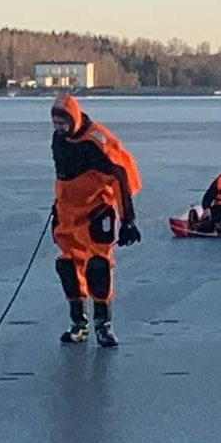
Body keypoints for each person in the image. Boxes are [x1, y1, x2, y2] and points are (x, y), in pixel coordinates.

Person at [50, 94, 141, 347]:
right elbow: (63, 176)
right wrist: (57, 207)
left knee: (98, 266)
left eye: (62, 123)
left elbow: (119, 177)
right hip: (67, 213)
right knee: (67, 266)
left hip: (95, 212)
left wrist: (128, 220)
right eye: (55, 123)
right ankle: (79, 325)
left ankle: (104, 326)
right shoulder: (60, 138)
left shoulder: (95, 142)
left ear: (74, 119)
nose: (58, 128)